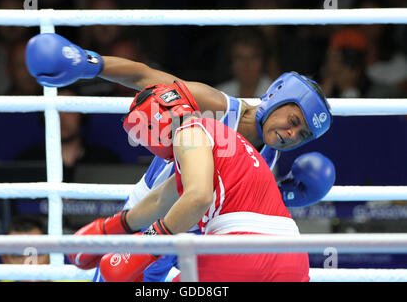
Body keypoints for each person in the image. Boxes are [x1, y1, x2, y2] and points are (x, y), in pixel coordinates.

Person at [25, 33, 336, 281]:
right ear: (277, 95)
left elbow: (235, 197)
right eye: (293, 121)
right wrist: (89, 63)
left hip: (197, 232)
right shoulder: (215, 105)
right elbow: (145, 77)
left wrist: (287, 195)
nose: (292, 134)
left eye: (303, 134)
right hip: (154, 208)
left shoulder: (270, 153)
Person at [84, 81, 313, 282]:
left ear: (158, 124)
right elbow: (163, 197)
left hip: (240, 250)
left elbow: (198, 197)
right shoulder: (228, 140)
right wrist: (108, 228)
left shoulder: (189, 131)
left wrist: (147, 245)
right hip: (293, 257)